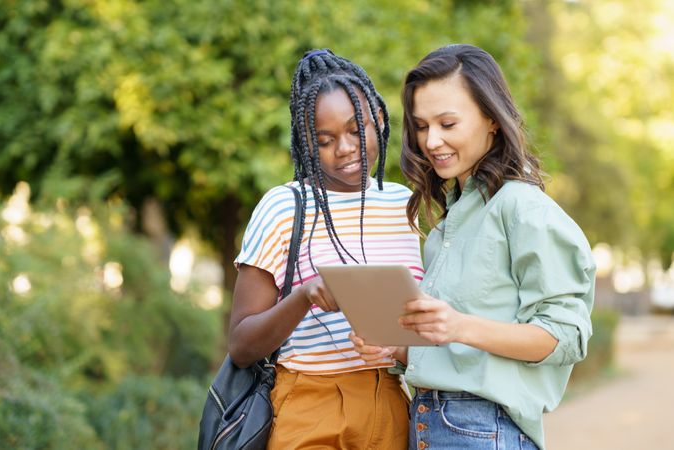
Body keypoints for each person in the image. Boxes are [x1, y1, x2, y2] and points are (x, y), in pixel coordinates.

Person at [351, 44, 596, 450]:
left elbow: (566, 336)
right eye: (422, 125)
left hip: (483, 431)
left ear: (491, 120)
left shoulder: (522, 208)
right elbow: (462, 358)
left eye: (448, 123)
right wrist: (395, 349)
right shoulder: (453, 218)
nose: (431, 141)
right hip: (429, 423)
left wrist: (460, 325)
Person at [229, 49, 423, 449]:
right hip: (309, 402)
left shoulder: (404, 205)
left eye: (357, 129)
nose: (347, 148)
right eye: (325, 140)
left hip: (389, 400)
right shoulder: (283, 207)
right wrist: (303, 296)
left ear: (380, 121)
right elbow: (242, 345)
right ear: (305, 144)